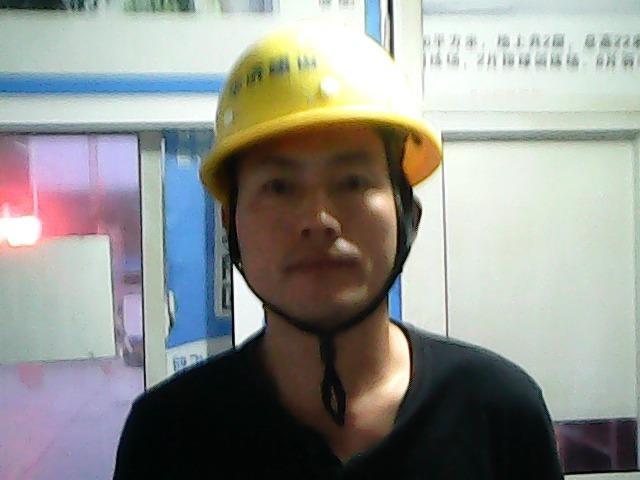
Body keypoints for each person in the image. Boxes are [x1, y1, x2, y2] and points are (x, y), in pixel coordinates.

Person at [113, 25, 564, 479]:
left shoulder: (499, 412)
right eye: (279, 186)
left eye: (352, 182)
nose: (318, 220)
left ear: (408, 213)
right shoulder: (169, 434)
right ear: (231, 225)